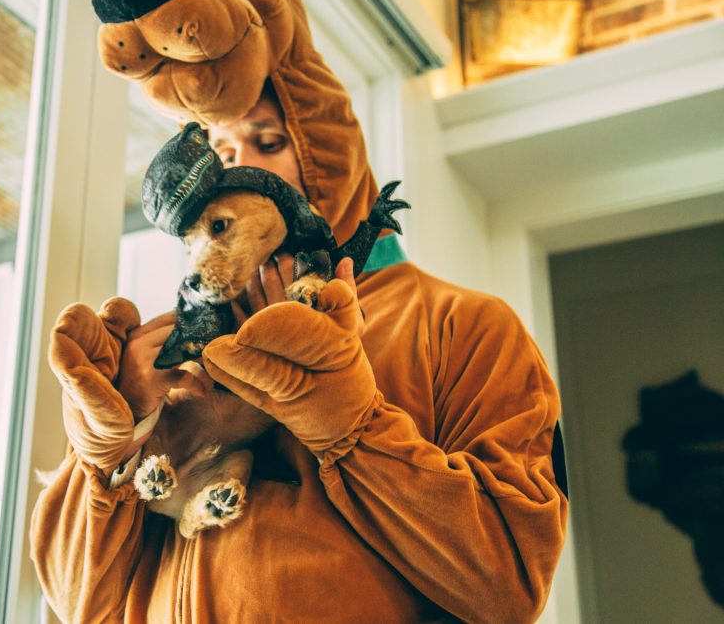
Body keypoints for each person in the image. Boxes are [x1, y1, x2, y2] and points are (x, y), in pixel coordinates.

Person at [31, 84, 568, 623]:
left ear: (331, 160)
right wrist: (108, 451)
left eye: (267, 142)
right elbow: (78, 601)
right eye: (219, 151)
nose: (235, 171)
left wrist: (350, 426)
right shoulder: (179, 350)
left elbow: (506, 588)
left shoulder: (462, 323)